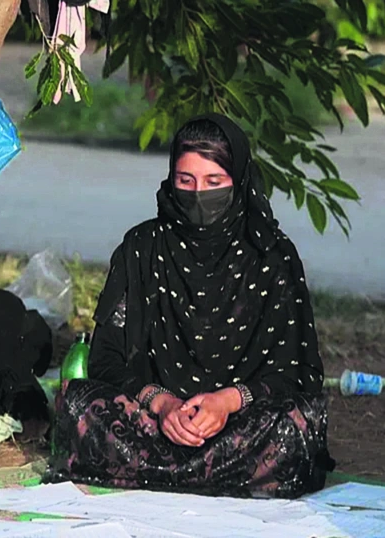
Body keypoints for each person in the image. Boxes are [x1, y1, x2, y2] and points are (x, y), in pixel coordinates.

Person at [46, 113, 335, 499]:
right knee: (82, 404)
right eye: (186, 181)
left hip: (241, 423)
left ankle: (162, 474)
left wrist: (226, 402)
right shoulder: (142, 248)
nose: (199, 194)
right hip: (154, 422)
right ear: (171, 179)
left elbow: (295, 371)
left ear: (239, 181)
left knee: (293, 424)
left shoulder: (271, 255)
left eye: (214, 183)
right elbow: (107, 358)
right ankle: (210, 474)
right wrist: (163, 404)